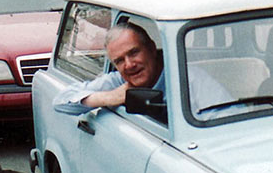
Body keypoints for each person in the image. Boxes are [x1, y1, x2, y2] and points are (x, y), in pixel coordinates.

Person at [53, 22, 233, 119]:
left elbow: (226, 118)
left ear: (152, 49)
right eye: (119, 61)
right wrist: (112, 97)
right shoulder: (118, 82)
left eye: (134, 52)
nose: (129, 65)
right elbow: (61, 102)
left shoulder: (188, 79)